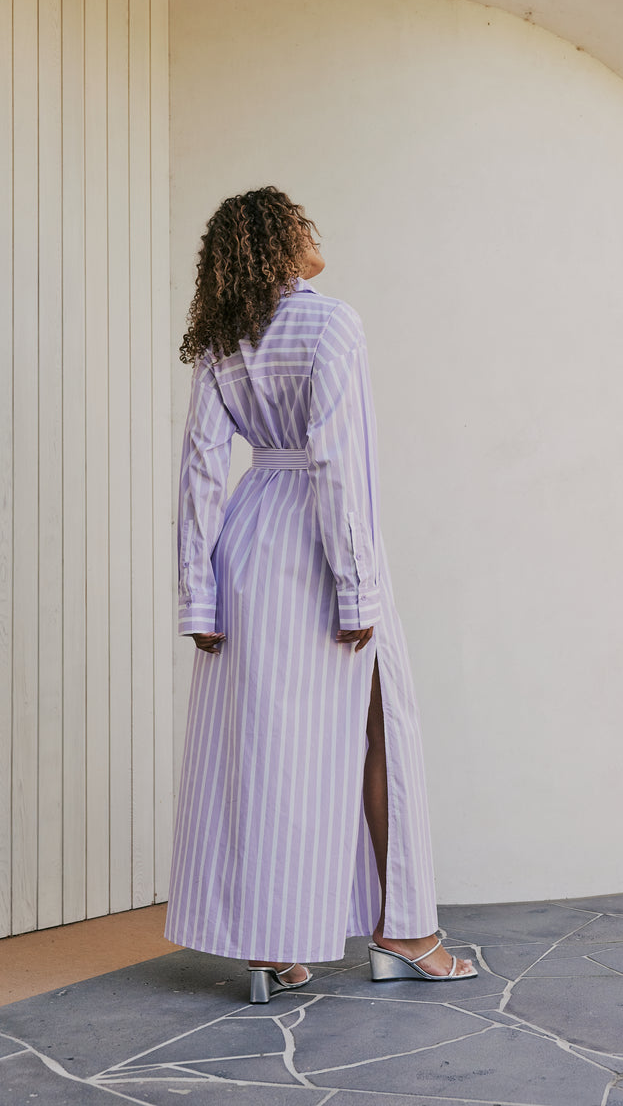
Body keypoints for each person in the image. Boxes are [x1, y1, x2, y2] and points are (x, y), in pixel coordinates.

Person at [165, 186, 475, 1000]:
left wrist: (199, 595)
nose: (313, 228)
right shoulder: (332, 322)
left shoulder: (221, 339)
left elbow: (201, 469)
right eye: (299, 219)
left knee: (267, 749)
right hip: (316, 545)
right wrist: (356, 589)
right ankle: (406, 933)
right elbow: (336, 464)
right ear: (276, 241)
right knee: (382, 725)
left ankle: (272, 947)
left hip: (247, 543)